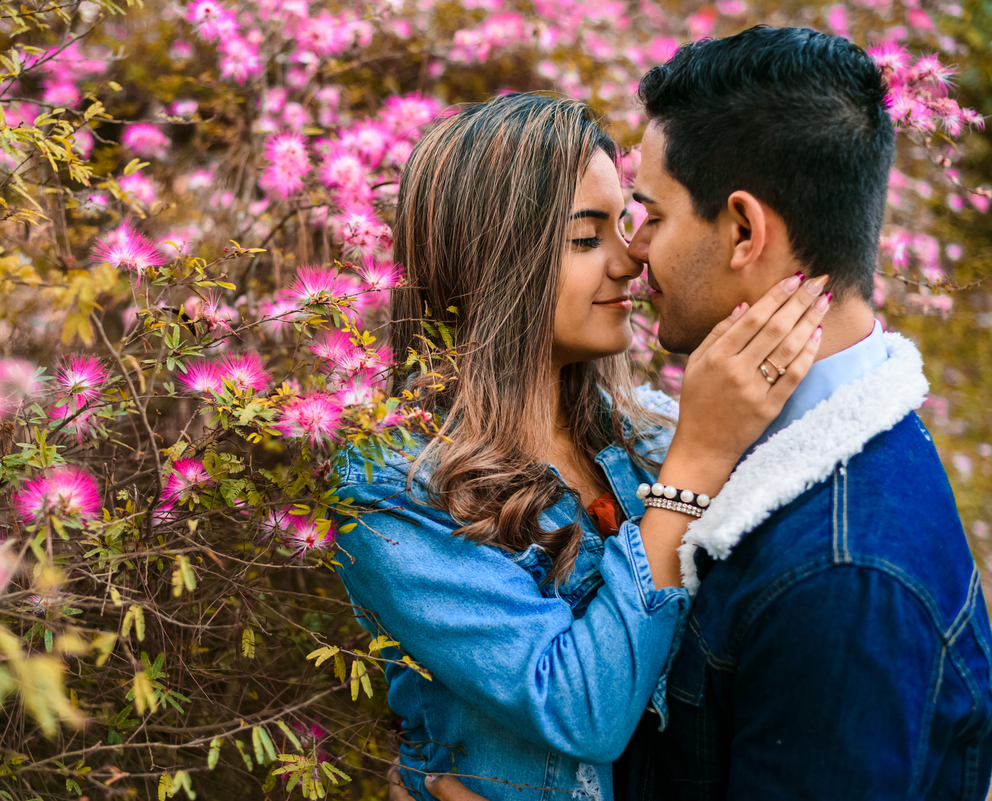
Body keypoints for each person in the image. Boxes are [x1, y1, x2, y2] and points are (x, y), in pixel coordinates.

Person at [398, 26, 992, 801]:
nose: (634, 250)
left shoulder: (845, 577)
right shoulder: (738, 444)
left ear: (744, 231)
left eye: (651, 213)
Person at [332, 91, 829, 801]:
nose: (631, 260)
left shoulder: (644, 435)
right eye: (586, 238)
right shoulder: (397, 486)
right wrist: (692, 469)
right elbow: (580, 707)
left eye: (625, 225)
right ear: (500, 263)